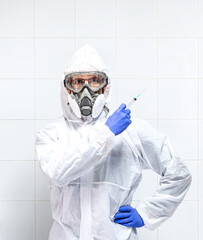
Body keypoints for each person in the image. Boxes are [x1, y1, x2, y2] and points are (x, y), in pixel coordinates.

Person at [35, 44, 192, 240]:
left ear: (105, 87)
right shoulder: (52, 134)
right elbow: (59, 173)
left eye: (94, 80)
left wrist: (147, 213)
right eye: (77, 81)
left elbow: (179, 173)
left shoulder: (132, 131)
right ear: (66, 88)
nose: (85, 90)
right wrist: (106, 133)